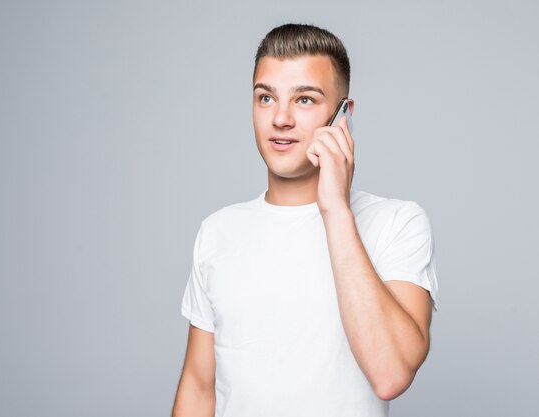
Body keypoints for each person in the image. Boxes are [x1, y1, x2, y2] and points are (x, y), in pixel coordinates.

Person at [171, 23, 439, 417]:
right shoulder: (217, 232)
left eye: (305, 100)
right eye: (265, 97)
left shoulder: (397, 223)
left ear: (343, 114)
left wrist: (335, 209)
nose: (280, 118)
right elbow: (198, 389)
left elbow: (391, 374)